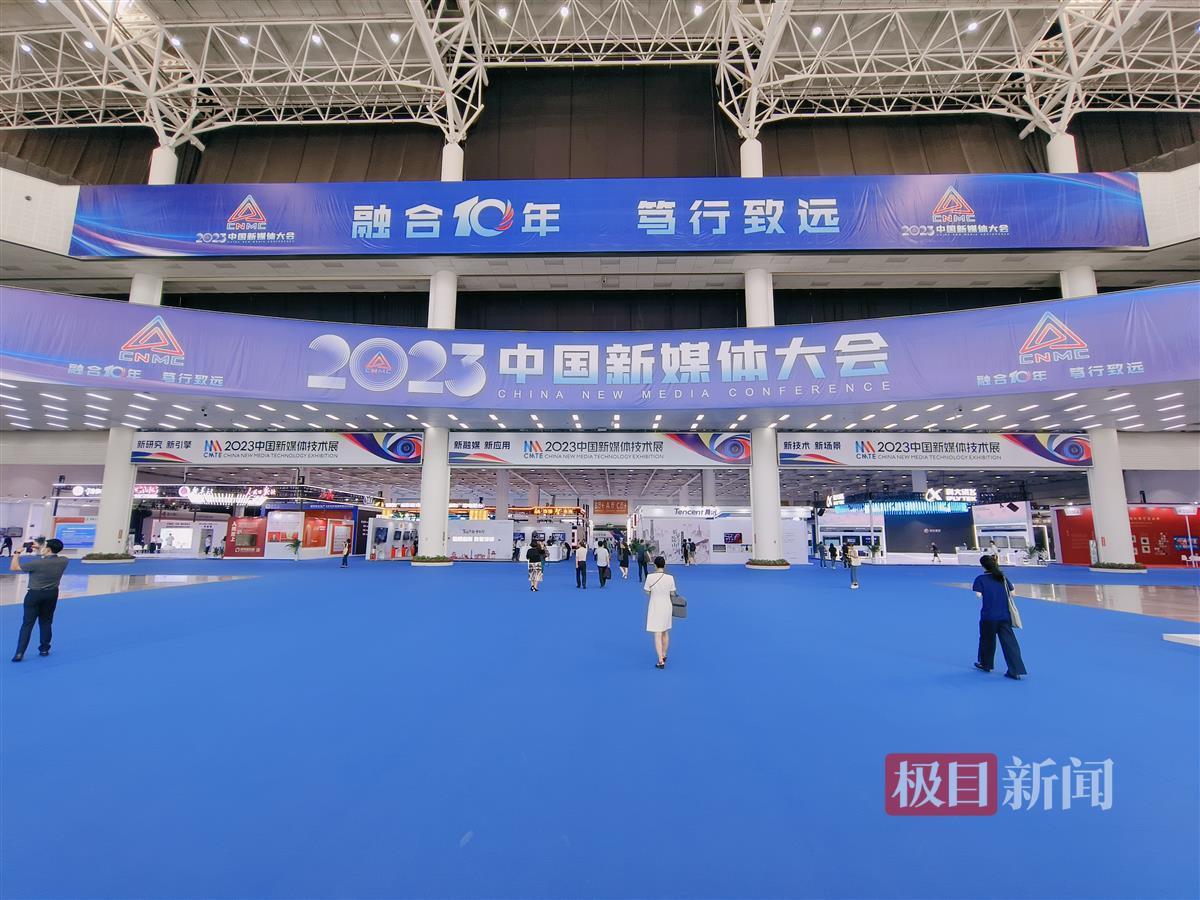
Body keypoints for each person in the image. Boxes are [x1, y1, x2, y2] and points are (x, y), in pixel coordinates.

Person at [11, 538, 69, 662]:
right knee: (46, 622)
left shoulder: (36, 563)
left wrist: (17, 553)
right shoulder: (64, 561)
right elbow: (51, 555)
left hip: (34, 594)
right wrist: (40, 549)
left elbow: (14, 567)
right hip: (52, 594)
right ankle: (44, 649)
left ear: (48, 549)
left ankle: (19, 653)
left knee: (27, 624)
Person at [972, 555, 1027, 680]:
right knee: (1010, 643)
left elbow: (978, 595)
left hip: (988, 616)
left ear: (983, 566)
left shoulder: (980, 579)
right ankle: (1015, 670)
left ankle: (986, 664)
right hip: (1004, 616)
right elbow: (1013, 593)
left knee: (987, 640)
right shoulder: (1002, 578)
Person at [643, 555, 676, 669]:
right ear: (664, 565)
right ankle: (664, 654)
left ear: (655, 565)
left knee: (657, 633)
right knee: (665, 631)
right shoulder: (670, 578)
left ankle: (660, 660)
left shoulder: (650, 577)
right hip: (667, 605)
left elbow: (647, 591)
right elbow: (673, 593)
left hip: (655, 605)